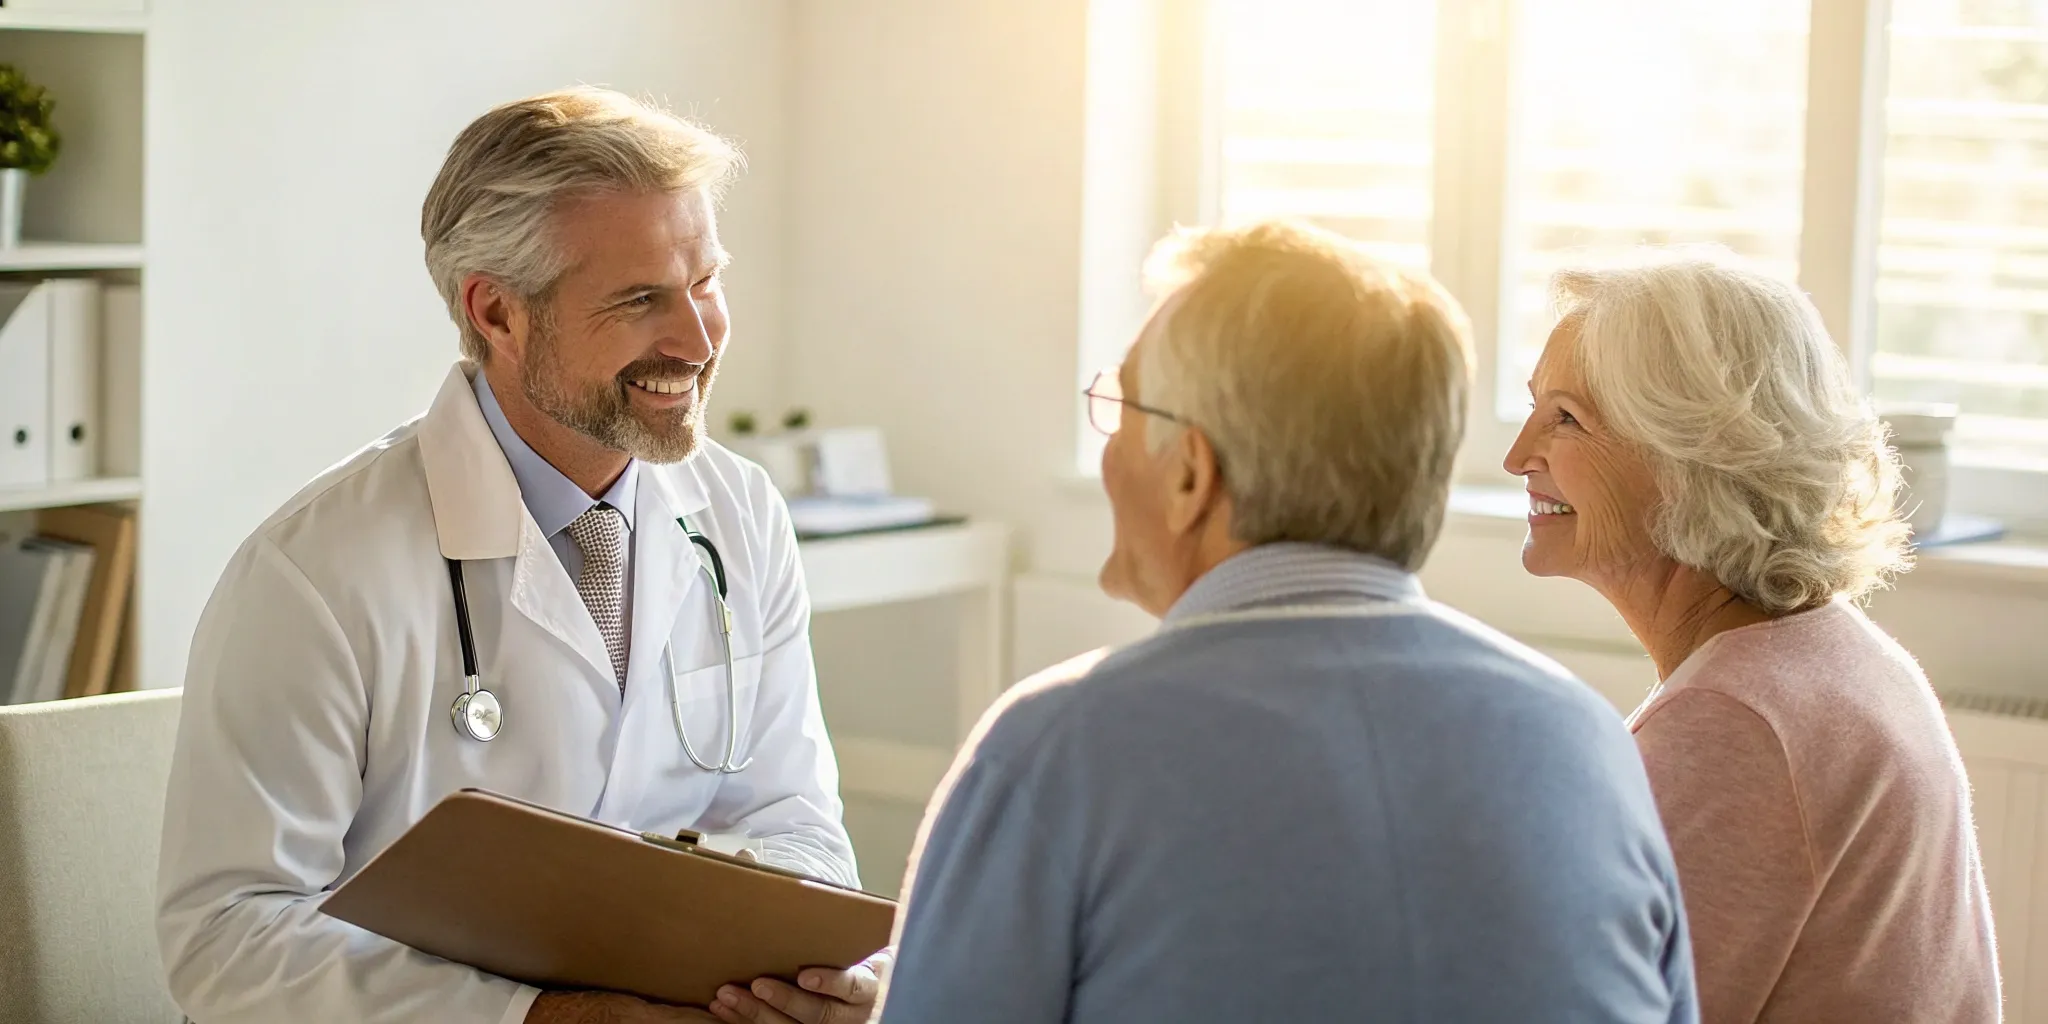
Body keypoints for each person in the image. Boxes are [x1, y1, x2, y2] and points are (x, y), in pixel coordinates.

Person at [156, 88, 884, 1024]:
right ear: (497, 313)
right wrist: (549, 1019)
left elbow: (793, 822)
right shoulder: (314, 574)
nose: (699, 340)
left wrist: (806, 983)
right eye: (640, 299)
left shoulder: (736, 511)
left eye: (706, 282)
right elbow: (226, 941)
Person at [875, 221, 1699, 1023]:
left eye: (1123, 409)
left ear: (1193, 474)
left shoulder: (1056, 749)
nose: (1109, 452)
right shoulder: (1589, 741)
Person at [1503, 248, 2001, 1024]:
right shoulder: (1826, 655)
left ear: (1691, 453)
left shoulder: (1737, 722)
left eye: (1565, 418)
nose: (1516, 456)